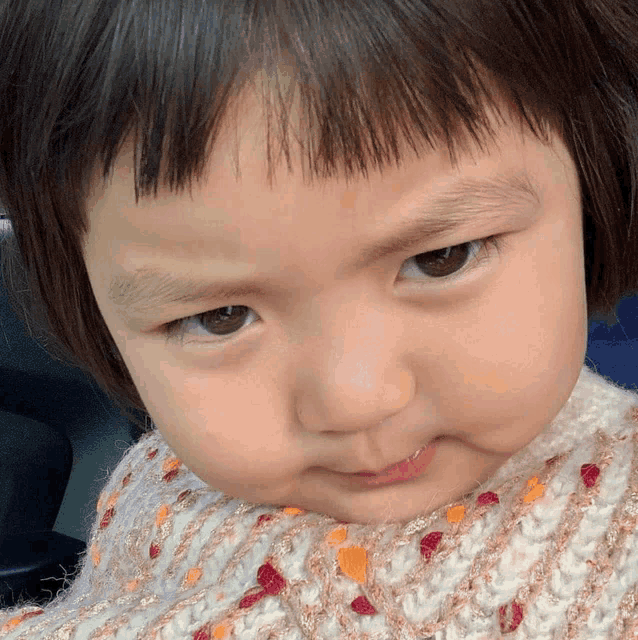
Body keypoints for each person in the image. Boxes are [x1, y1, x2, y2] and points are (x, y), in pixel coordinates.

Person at [1, 0, 638, 637]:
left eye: (441, 258)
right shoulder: (160, 480)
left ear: (598, 181)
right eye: (221, 318)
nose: (354, 401)